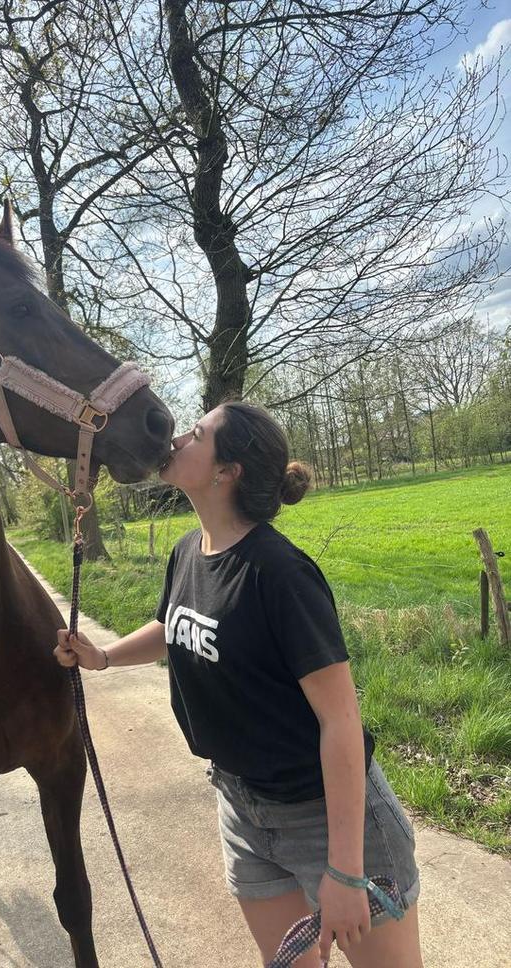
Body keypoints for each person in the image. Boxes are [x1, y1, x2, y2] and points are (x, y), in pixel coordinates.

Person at [54, 402, 423, 968]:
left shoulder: (281, 574)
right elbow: (174, 626)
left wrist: (346, 871)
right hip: (242, 809)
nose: (177, 439)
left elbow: (341, 722)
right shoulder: (188, 552)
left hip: (328, 817)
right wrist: (102, 657)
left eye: (196, 433)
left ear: (228, 471)